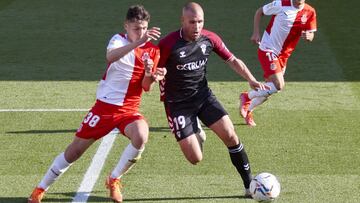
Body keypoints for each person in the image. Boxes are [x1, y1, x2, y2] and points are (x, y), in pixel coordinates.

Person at [28, 5, 166, 203]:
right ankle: (41, 188)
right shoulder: (118, 40)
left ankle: (114, 179)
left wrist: (152, 76)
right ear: (126, 26)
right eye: (136, 28)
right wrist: (139, 43)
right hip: (104, 108)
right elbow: (111, 57)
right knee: (74, 152)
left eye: (144, 28)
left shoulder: (152, 50)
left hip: (129, 110)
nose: (141, 32)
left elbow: (146, 87)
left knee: (141, 135)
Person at [158, 2, 268, 197]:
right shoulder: (168, 44)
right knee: (195, 158)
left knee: (230, 134)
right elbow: (150, 74)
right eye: (192, 22)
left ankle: (249, 184)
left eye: (200, 21)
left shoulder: (209, 38)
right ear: (182, 21)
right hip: (177, 105)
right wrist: (156, 75)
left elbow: (232, 60)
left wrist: (251, 79)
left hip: (203, 96)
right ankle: (197, 129)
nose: (197, 26)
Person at [240, 0, 317, 126]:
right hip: (268, 48)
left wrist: (309, 37)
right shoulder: (281, 4)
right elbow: (260, 12)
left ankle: (248, 110)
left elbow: (311, 33)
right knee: (279, 85)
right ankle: (247, 97)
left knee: (270, 90)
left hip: (283, 56)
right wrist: (256, 32)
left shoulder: (310, 11)